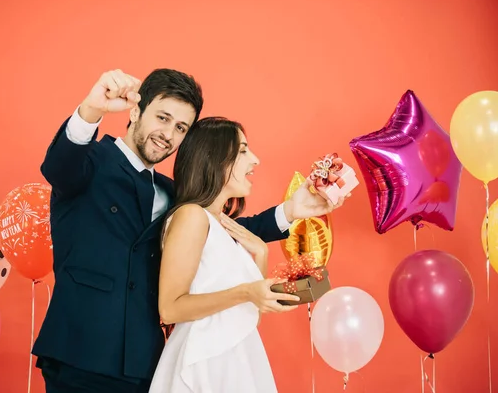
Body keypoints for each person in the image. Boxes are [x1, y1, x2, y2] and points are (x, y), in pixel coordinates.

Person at [33, 68, 344, 393]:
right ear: (136, 110)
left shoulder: (172, 193)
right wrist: (91, 109)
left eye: (180, 127)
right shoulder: (89, 163)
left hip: (144, 362)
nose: (168, 134)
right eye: (162, 118)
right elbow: (58, 166)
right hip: (79, 353)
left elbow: (219, 231)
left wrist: (292, 211)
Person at [150, 117, 300, 392]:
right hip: (204, 360)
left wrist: (261, 253)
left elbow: (246, 315)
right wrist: (246, 291)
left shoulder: (221, 225)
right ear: (214, 159)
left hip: (235, 356)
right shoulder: (192, 216)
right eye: (242, 150)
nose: (254, 160)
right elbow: (170, 308)